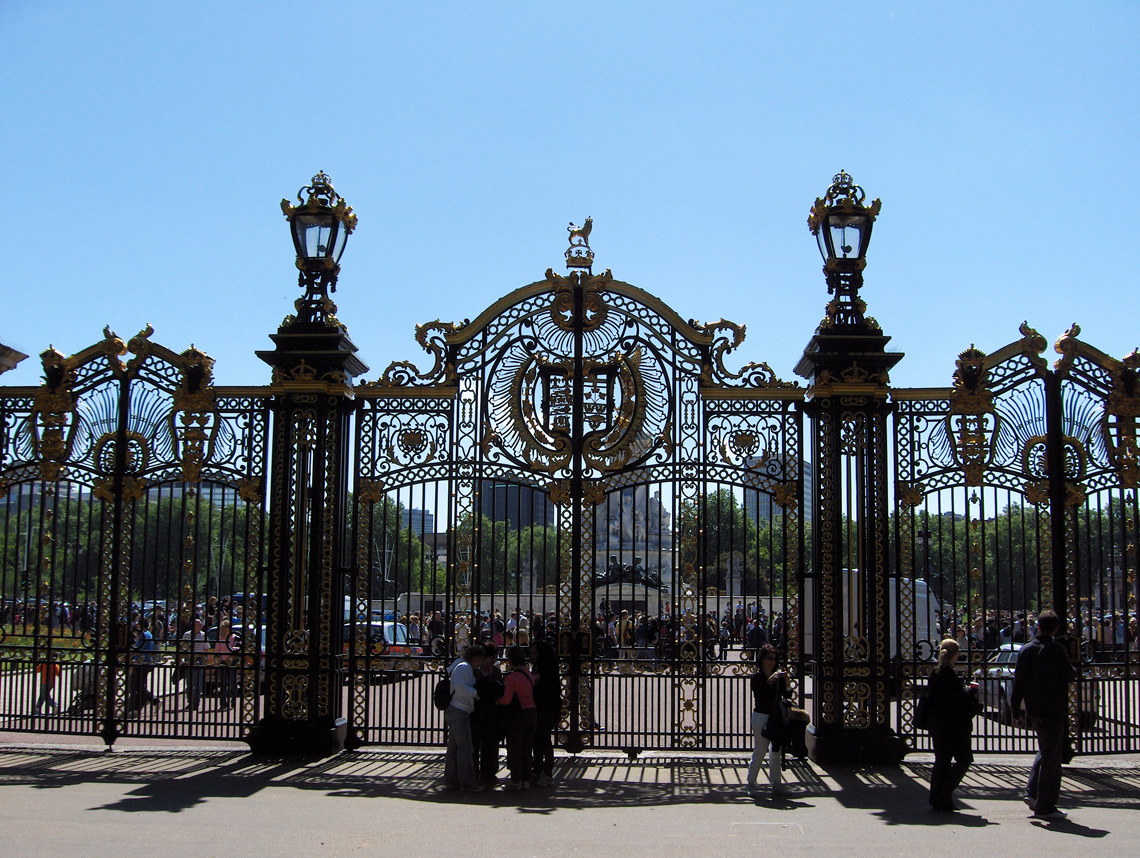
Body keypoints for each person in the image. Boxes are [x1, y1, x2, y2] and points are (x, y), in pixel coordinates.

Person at [1010, 609, 1075, 820]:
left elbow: (1017, 682)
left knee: (1045, 750)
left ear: (1037, 626)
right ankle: (1046, 805)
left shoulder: (1025, 649)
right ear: (1055, 628)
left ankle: (1032, 793)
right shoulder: (1056, 649)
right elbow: (1069, 675)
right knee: (1052, 758)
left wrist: (1014, 710)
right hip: (1053, 708)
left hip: (1034, 708)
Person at [926, 638, 982, 812]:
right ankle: (944, 793)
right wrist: (971, 694)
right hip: (954, 726)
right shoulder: (950, 675)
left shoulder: (936, 674)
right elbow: (957, 701)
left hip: (938, 724)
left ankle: (936, 797)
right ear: (955, 655)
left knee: (941, 760)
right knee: (964, 759)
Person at [746, 644, 789, 796]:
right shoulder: (757, 677)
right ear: (762, 659)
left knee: (776, 751)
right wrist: (769, 682)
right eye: (769, 658)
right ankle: (751, 783)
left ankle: (776, 783)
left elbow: (787, 695)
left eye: (774, 659)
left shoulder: (778, 677)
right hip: (761, 716)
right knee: (760, 750)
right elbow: (760, 696)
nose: (771, 661)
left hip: (775, 716)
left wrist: (787, 680)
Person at [443, 644, 484, 792]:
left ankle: (452, 780)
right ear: (476, 658)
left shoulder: (460, 665)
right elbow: (460, 687)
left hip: (457, 710)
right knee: (465, 749)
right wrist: (475, 693)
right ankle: (467, 783)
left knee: (454, 748)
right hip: (459, 710)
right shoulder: (464, 667)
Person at [496, 644, 536, 791]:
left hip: (519, 715)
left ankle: (515, 780)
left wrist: (496, 701)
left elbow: (506, 700)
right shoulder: (528, 674)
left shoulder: (512, 677)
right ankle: (526, 779)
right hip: (532, 712)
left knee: (514, 749)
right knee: (526, 748)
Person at [471, 644, 505, 784]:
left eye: (495, 658)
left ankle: (489, 772)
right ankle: (473, 772)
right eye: (491, 658)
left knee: (491, 743)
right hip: (477, 711)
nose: (493, 661)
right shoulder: (474, 672)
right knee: (475, 743)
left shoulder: (496, 671)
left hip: (492, 711)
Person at [530, 639, 560, 787]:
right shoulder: (540, 666)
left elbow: (550, 689)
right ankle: (537, 770)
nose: (532, 655)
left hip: (546, 708)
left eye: (535, 652)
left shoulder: (547, 669)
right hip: (538, 707)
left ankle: (547, 773)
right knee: (538, 740)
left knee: (544, 741)